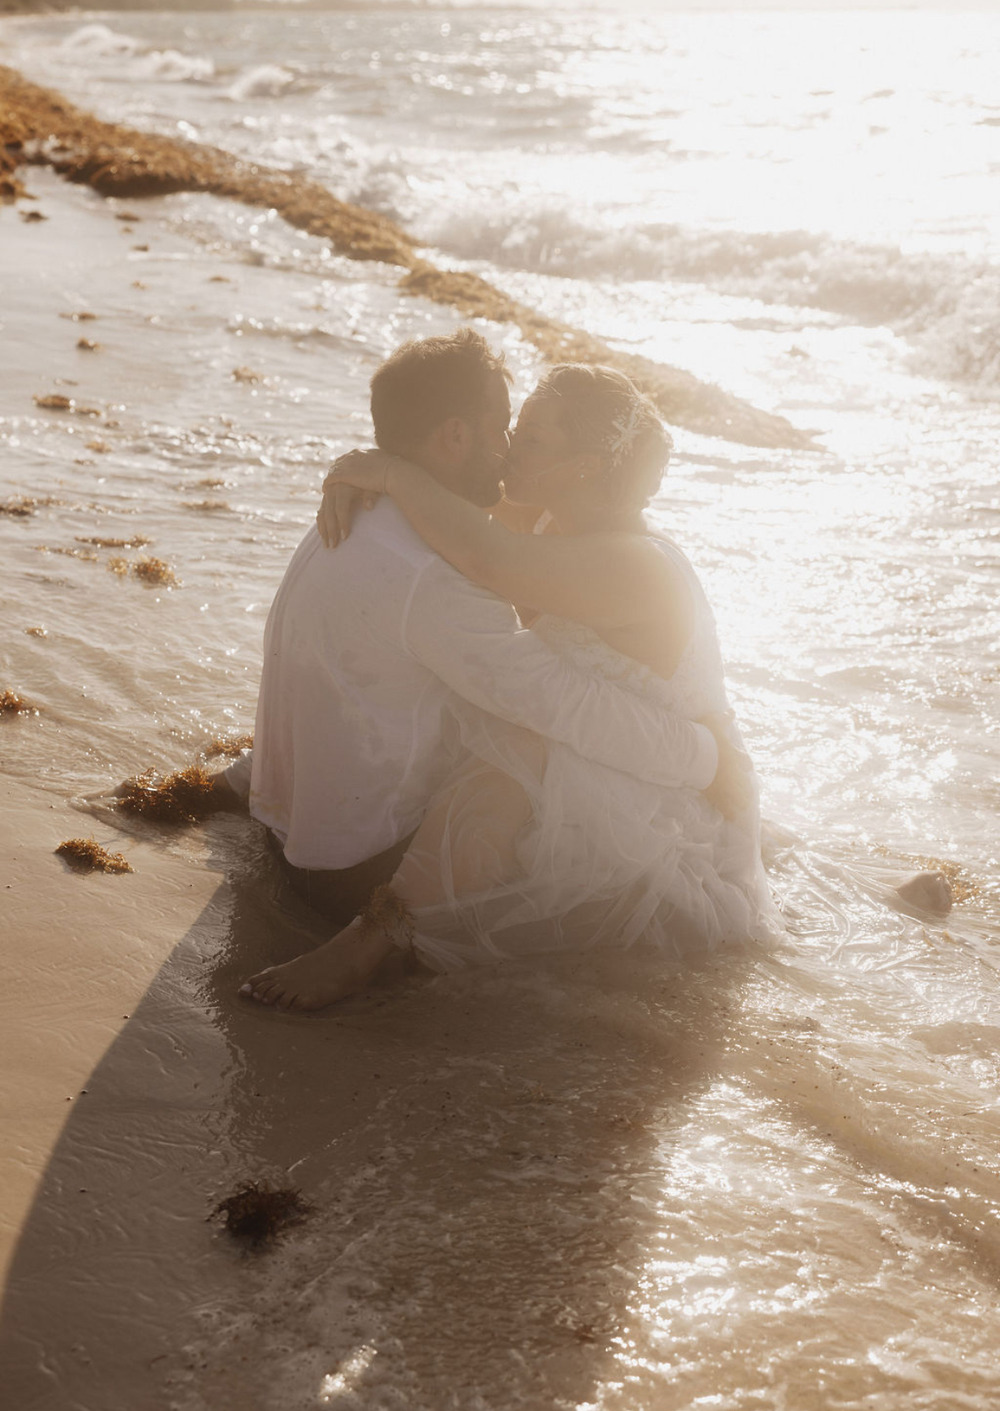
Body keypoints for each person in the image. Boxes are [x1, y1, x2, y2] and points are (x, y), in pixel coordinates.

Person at [241, 358, 775, 1011]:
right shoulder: (551, 517)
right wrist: (353, 471)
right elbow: (464, 524)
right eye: (513, 427)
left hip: (663, 772)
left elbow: (484, 557)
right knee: (489, 697)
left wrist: (390, 471)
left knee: (514, 737)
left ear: (584, 466)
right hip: (605, 736)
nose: (511, 448)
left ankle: (369, 945)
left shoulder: (637, 563)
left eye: (533, 439)